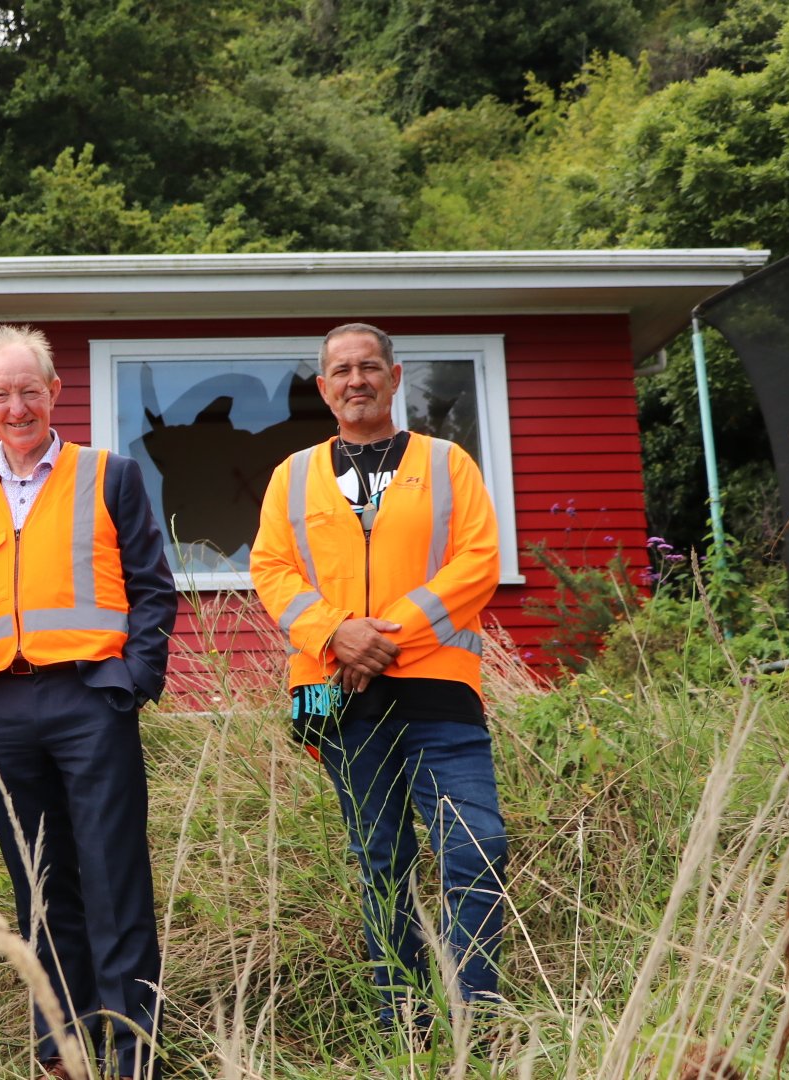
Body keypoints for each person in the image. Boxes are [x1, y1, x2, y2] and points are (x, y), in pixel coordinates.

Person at [249, 322, 509, 1033]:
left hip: (440, 693)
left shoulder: (448, 463)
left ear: (395, 379)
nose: (356, 379)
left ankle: (473, 1018)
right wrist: (337, 634)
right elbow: (270, 571)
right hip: (340, 700)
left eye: (370, 367)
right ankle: (405, 1023)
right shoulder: (290, 476)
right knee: (382, 859)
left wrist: (386, 634)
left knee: (477, 848)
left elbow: (478, 561)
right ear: (323, 387)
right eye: (342, 370)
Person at [0, 325, 177, 1079]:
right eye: (2, 394)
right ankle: (63, 1052)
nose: (17, 406)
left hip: (90, 700)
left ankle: (135, 1057)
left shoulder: (109, 474)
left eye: (29, 390)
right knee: (38, 888)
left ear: (55, 394)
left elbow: (152, 589)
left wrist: (128, 683)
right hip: (0, 713)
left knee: (114, 880)